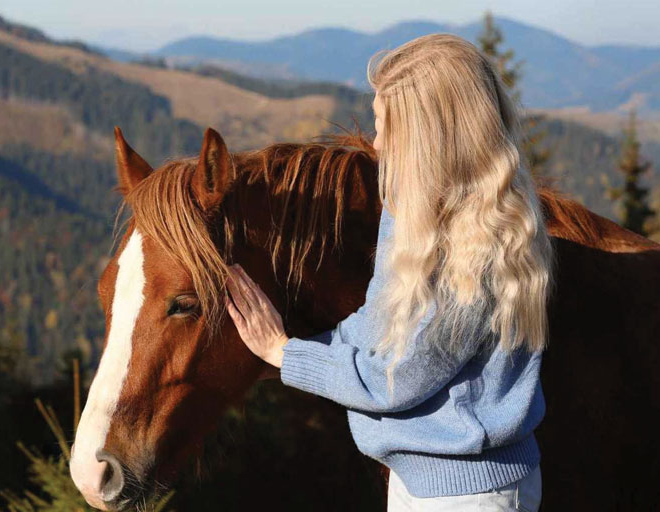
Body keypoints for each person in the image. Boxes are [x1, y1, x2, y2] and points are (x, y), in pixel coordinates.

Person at [224, 33, 552, 511]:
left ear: (427, 137)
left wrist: (285, 354)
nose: (375, 144)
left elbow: (395, 380)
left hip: (473, 493)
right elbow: (377, 321)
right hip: (414, 478)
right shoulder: (409, 212)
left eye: (384, 127)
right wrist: (294, 348)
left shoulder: (480, 249)